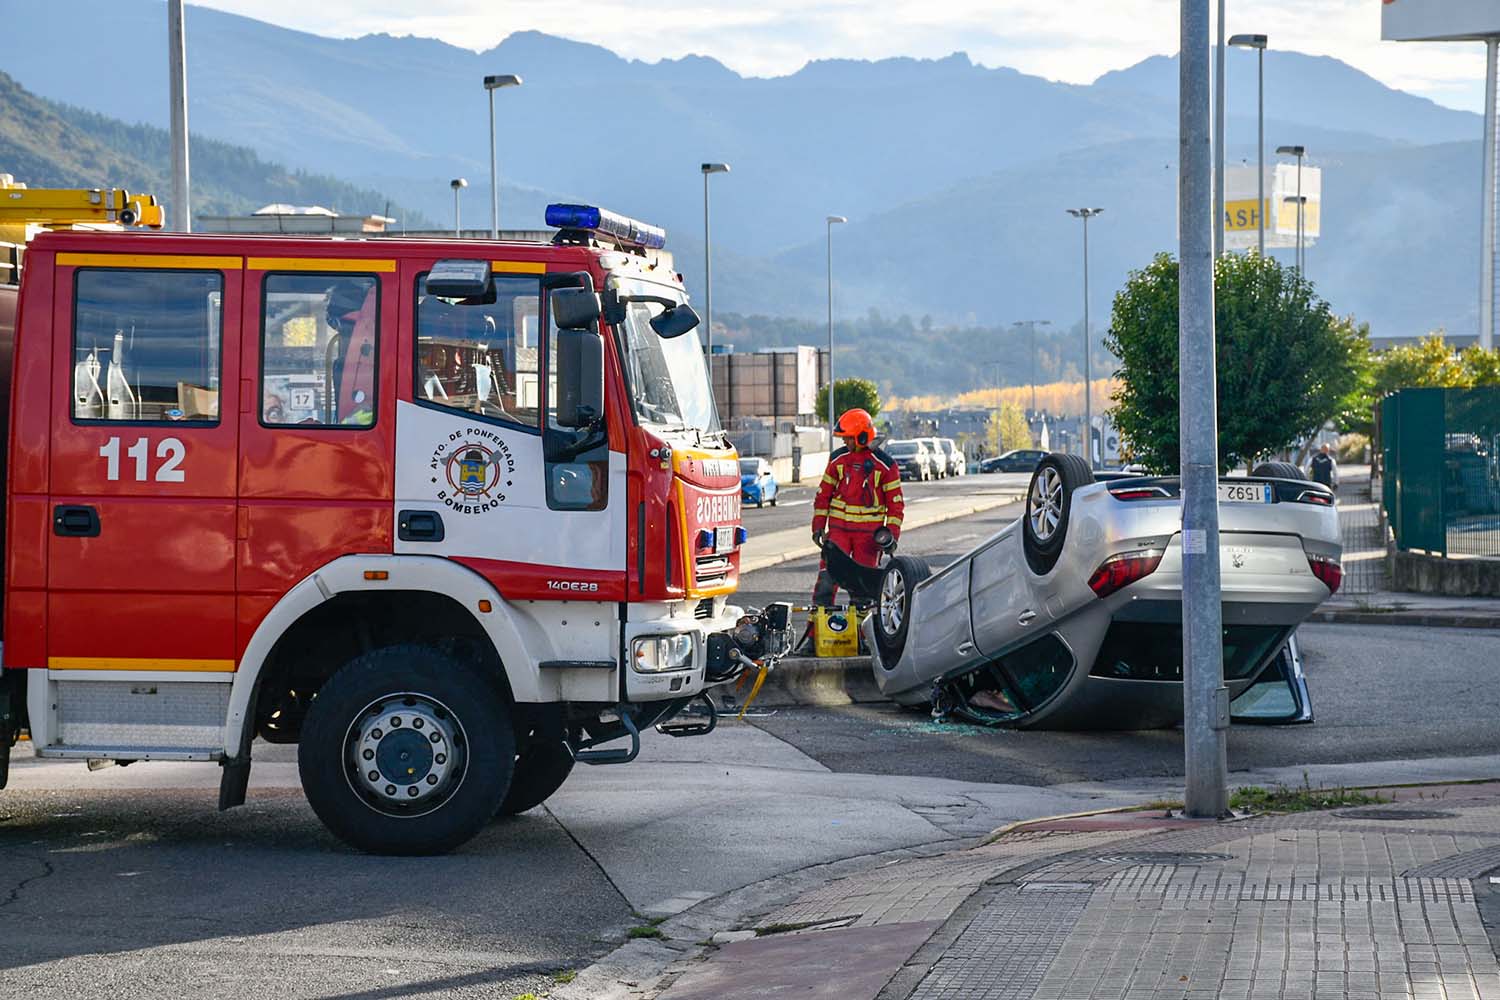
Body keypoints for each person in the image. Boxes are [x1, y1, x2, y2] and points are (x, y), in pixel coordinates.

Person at [809, 408, 905, 609]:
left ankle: (862, 629)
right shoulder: (838, 459)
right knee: (826, 581)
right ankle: (817, 627)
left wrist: (891, 536)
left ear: (862, 437)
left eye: (849, 438)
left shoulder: (886, 466)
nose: (845, 442)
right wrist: (818, 527)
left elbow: (895, 506)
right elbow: (823, 495)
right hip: (839, 532)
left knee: (864, 589)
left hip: (868, 538)